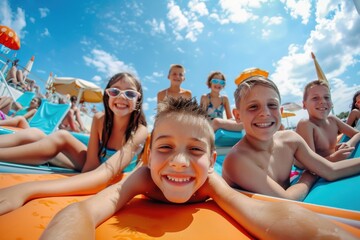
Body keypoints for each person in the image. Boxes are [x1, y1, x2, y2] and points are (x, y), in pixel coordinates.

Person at [40, 97, 357, 240]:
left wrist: (332, 235)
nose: (179, 161)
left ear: (210, 162)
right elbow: (80, 212)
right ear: (149, 157)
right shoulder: (143, 178)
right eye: (165, 148)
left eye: (194, 150)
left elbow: (264, 214)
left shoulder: (209, 182)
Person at [222, 76, 360, 201]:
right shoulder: (237, 160)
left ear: (280, 111)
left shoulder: (290, 140)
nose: (265, 113)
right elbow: (286, 201)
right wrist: (308, 176)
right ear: (238, 115)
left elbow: (331, 171)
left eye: (272, 105)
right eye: (253, 107)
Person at [0, 72, 148, 172]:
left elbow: (98, 172)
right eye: (115, 91)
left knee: (57, 139)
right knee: (36, 133)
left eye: (129, 93)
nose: (122, 97)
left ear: (138, 100)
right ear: (107, 96)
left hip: (104, 174)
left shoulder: (139, 131)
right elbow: (91, 163)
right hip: (92, 167)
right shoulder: (99, 119)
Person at [296, 81, 360, 167]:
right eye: (315, 98)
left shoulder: (332, 120)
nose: (322, 101)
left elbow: (357, 134)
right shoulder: (306, 124)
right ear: (304, 105)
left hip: (328, 165)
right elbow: (310, 164)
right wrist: (334, 157)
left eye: (326, 97)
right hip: (310, 171)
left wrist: (349, 143)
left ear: (332, 103)